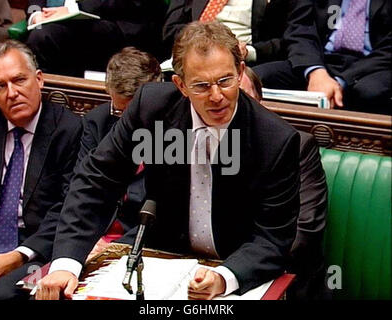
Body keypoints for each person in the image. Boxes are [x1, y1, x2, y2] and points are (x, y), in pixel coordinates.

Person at [36, 21, 300, 300]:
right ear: (180, 85)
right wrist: (66, 264)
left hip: (235, 269)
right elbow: (97, 180)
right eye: (201, 86)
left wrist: (224, 278)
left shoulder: (275, 140)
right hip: (160, 260)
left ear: (241, 72)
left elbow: (273, 238)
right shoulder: (152, 108)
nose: (217, 96)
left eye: (225, 81)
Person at [0, 39, 82, 300]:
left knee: (7, 292)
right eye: (1, 86)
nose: (12, 92)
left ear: (39, 80)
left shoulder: (68, 130)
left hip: (39, 249)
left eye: (19, 80)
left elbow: (69, 207)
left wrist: (17, 255)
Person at [240, 69, 329, 300]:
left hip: (287, 282)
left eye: (245, 100)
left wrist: (231, 269)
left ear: (261, 104)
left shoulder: (298, 146)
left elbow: (302, 233)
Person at [79, 47, 162, 261]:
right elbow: (83, 190)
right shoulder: (96, 122)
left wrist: (116, 248)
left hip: (147, 244)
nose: (127, 121)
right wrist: (86, 242)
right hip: (93, 241)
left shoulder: (176, 130)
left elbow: (168, 212)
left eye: (135, 110)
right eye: (120, 111)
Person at [253, 0, 391, 114]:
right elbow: (299, 28)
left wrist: (342, 81)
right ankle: (245, 143)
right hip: (320, 58)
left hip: (374, 65)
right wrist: (316, 72)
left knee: (368, 92)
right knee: (255, 79)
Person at [25, 0, 168, 77]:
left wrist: (75, 8)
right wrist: (36, 14)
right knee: (40, 35)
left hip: (119, 21)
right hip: (57, 21)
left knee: (45, 36)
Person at [162, 0, 290, 66]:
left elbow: (287, 41)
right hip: (192, 55)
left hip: (243, 62)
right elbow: (171, 31)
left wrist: (248, 52)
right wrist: (201, 41)